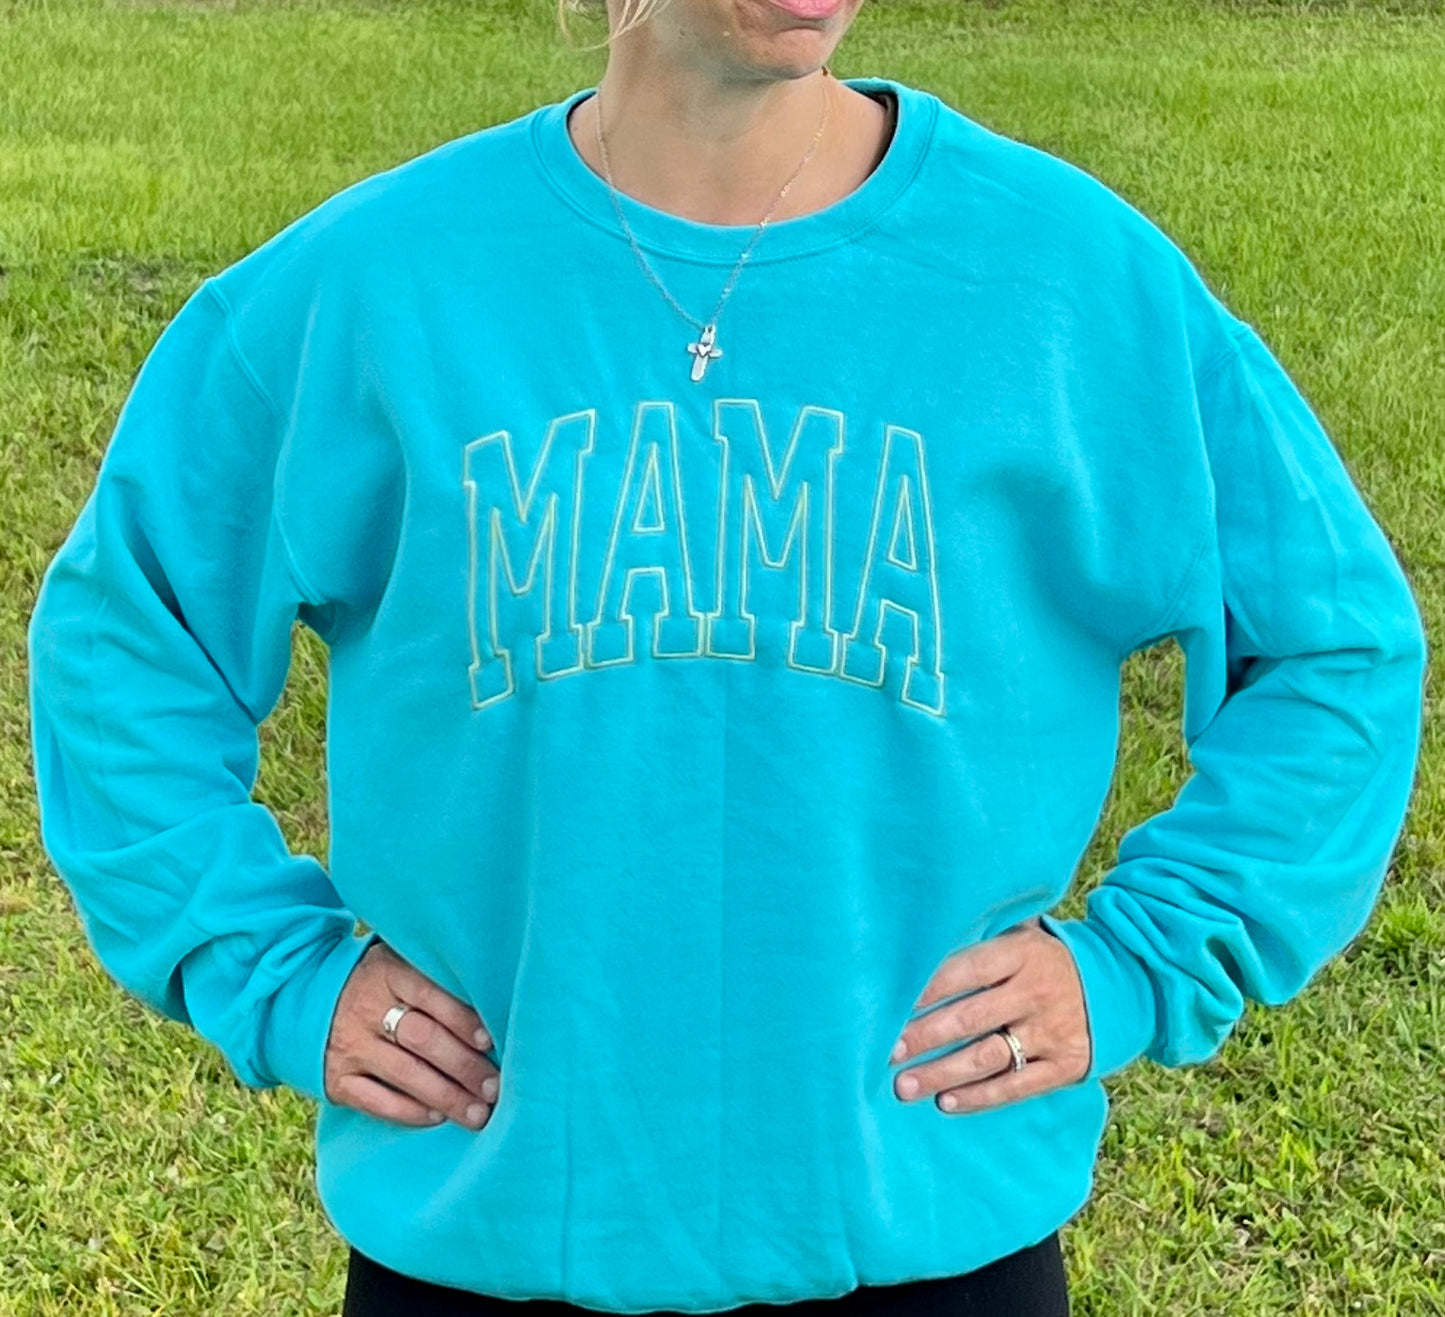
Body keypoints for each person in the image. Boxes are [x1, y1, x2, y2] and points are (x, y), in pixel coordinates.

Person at [25, 0, 1427, 1312]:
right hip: (488, 1235)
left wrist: (1138, 960)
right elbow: (123, 643)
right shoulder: (376, 285)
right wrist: (270, 966)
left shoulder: (1068, 279)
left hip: (933, 1232)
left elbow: (1334, 647)